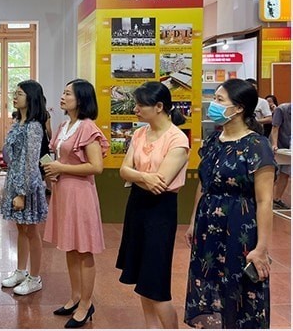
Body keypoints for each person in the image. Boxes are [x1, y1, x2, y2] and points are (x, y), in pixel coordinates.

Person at [184, 79, 276, 329]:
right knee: (209, 281)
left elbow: (264, 200)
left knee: (239, 289)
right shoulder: (214, 140)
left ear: (238, 108)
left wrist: (262, 248)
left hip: (240, 228)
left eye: (219, 100)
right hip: (208, 225)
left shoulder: (257, 145)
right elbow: (203, 185)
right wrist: (193, 222)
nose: (213, 105)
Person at [116, 82, 189, 329]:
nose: (135, 109)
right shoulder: (139, 133)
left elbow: (163, 182)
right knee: (142, 279)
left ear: (159, 107)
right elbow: (124, 170)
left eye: (140, 105)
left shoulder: (178, 139)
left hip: (161, 210)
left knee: (156, 283)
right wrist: (144, 177)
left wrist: (140, 176)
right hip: (137, 205)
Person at [42, 79, 109, 328]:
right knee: (70, 247)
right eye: (63, 92)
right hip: (63, 192)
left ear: (80, 99)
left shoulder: (87, 127)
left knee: (84, 250)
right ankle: (75, 297)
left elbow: (96, 167)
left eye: (67, 93)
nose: (62, 96)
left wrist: (61, 167)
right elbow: (59, 156)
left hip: (80, 194)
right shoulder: (64, 125)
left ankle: (86, 304)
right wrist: (53, 170)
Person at [0, 80, 49, 295]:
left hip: (26, 184)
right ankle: (20, 271)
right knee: (20, 228)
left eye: (19, 93)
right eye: (15, 93)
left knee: (31, 231)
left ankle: (35, 277)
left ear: (30, 97)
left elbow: (30, 163)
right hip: (14, 180)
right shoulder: (18, 122)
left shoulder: (34, 127)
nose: (15, 96)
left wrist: (21, 193)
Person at [270, 102, 291, 209]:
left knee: (285, 173)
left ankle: (276, 199)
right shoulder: (281, 109)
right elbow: (275, 128)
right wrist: (274, 144)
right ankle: (265, 198)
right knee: (273, 174)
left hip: (289, 147)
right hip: (278, 145)